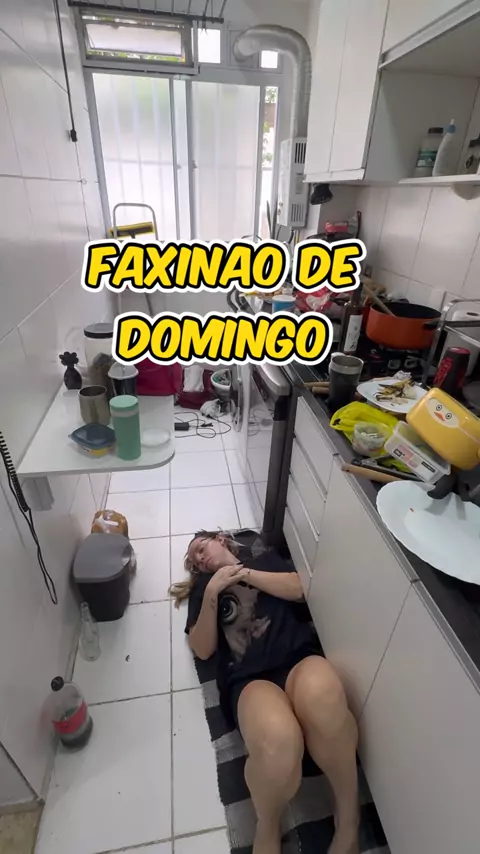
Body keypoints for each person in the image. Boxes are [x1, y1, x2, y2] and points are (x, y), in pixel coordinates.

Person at [170, 530, 359, 854]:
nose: (199, 559)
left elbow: (299, 588)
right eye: (194, 561)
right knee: (278, 742)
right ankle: (268, 824)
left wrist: (243, 573)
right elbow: (202, 649)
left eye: (201, 548)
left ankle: (349, 820)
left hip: (297, 658)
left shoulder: (263, 559)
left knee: (325, 700)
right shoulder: (205, 588)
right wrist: (214, 589)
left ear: (221, 539)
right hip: (250, 680)